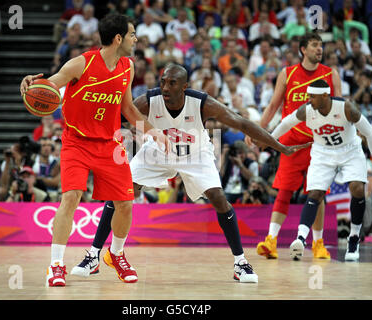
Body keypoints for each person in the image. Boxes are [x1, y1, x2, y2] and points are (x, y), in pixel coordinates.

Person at [70, 63, 311, 283]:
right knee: (120, 194)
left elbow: (242, 123)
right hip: (157, 150)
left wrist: (279, 146)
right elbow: (114, 113)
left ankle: (240, 263)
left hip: (195, 154)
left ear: (185, 86)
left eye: (172, 83)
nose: (165, 86)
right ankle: (94, 256)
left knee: (219, 198)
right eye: (163, 81)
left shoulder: (202, 103)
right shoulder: (149, 101)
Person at [20, 13, 169, 287]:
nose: (136, 39)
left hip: (109, 144)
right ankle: (55, 265)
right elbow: (50, 85)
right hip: (76, 142)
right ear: (118, 38)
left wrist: (154, 132)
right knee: (72, 197)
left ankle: (116, 254)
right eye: (133, 34)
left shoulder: (128, 67)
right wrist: (31, 83)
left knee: (125, 203)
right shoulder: (81, 63)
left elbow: (127, 109)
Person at [246, 33, 342, 260]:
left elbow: (340, 108)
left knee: (317, 193)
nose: (319, 49)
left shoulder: (331, 74)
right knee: (284, 191)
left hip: (319, 144)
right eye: (314, 45)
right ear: (303, 50)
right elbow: (272, 106)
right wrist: (258, 130)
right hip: (290, 143)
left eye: (321, 46)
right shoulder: (287, 73)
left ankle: (318, 243)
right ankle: (271, 241)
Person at [269, 79, 372, 261]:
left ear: (325, 96)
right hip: (323, 153)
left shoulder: (347, 108)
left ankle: (354, 237)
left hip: (350, 150)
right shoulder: (308, 110)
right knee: (315, 193)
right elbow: (286, 123)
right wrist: (270, 139)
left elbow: (370, 133)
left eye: (313, 97)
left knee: (357, 188)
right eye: (309, 96)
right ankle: (300, 238)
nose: (309, 100)